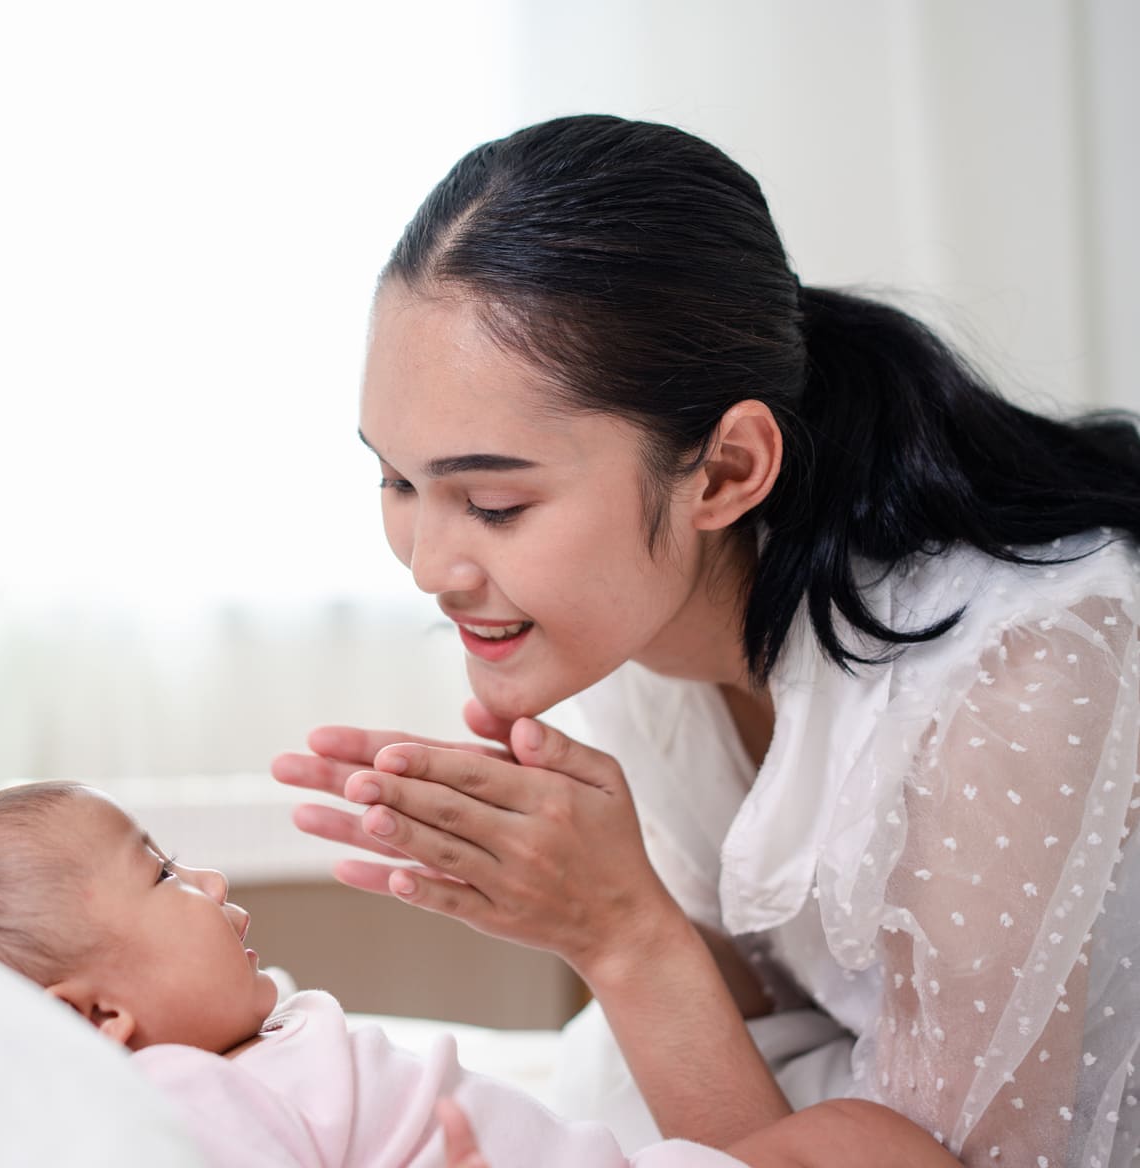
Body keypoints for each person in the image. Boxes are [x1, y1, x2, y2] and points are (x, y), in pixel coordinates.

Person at [269, 114, 1140, 1168]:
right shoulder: (635, 609)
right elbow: (796, 987)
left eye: (494, 504)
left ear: (727, 472)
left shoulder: (1015, 676)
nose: (428, 565)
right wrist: (559, 889)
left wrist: (621, 932)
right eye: (396, 481)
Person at [0, 780, 960, 1168]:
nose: (207, 877)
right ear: (101, 1015)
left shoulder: (242, 1053)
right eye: (161, 873)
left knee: (866, 1138)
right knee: (870, 1145)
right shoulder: (184, 1097)